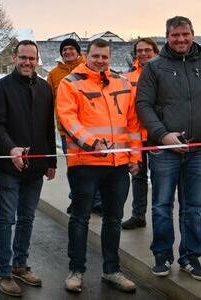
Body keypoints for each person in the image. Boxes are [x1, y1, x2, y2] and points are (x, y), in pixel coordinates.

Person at [56, 38, 142, 293]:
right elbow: (67, 119)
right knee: (80, 219)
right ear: (87, 55)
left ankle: (112, 270)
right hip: (85, 163)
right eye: (96, 56)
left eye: (105, 57)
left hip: (118, 165)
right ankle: (76, 270)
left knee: (113, 219)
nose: (100, 61)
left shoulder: (122, 82)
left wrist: (135, 158)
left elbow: (133, 124)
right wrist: (92, 143)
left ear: (110, 56)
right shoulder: (70, 83)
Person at [136, 16, 201, 280]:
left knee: (194, 207)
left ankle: (191, 256)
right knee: (162, 205)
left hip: (197, 151)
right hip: (164, 151)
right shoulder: (154, 67)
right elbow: (143, 105)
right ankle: (162, 255)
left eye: (185, 34)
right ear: (167, 36)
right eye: (175, 35)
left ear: (192, 34)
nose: (181, 40)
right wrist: (163, 135)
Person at [0, 40, 56, 297]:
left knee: (27, 219)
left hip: (36, 166)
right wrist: (11, 150)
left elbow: (47, 127)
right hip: (9, 167)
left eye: (32, 58)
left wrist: (51, 161)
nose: (27, 62)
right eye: (23, 57)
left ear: (37, 59)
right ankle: (4, 272)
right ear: (14, 57)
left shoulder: (44, 88)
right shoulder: (1, 88)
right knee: (6, 219)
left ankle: (20, 264)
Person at [48, 38, 103, 215]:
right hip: (67, 131)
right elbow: (50, 101)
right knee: (74, 168)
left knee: (96, 166)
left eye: (71, 49)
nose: (68, 52)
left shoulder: (89, 69)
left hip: (91, 130)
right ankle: (77, 199)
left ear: (78, 51)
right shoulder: (54, 74)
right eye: (64, 50)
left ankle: (97, 201)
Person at [121, 37, 159, 230]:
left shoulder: (163, 72)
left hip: (158, 135)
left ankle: (160, 217)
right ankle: (138, 215)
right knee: (137, 176)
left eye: (147, 50)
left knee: (160, 178)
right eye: (139, 51)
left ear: (155, 51)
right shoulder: (127, 78)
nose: (143, 54)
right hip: (136, 135)